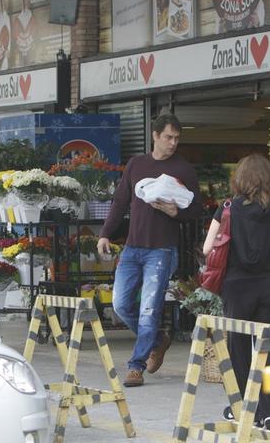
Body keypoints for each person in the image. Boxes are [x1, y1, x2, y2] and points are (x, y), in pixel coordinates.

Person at [98, 114, 201, 387]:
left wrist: (175, 211)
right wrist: (105, 234)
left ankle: (136, 366)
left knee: (148, 311)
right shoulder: (136, 164)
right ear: (154, 136)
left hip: (162, 250)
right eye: (168, 137)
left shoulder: (184, 169)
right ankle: (158, 340)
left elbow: (196, 211)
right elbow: (120, 202)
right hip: (132, 248)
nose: (173, 143)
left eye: (177, 138)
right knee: (120, 304)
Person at [203, 154, 270, 430]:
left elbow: (207, 249)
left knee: (238, 348)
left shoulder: (228, 208)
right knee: (267, 346)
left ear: (239, 179)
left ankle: (242, 407)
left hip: (237, 286)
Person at [13, 0, 36, 66]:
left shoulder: (30, 16)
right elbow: (15, 35)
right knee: (21, 64)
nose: (24, 0)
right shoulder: (19, 17)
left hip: (29, 46)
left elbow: (34, 31)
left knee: (29, 62)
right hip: (21, 47)